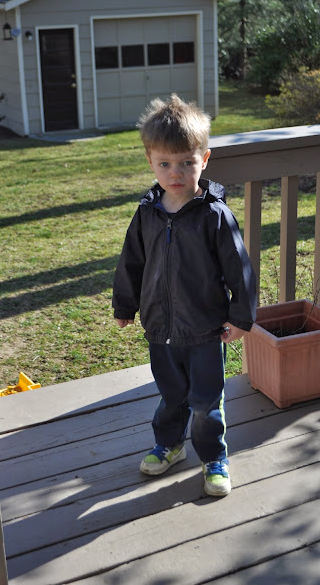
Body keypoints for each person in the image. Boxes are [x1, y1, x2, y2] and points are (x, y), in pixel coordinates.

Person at [112, 94, 256, 497]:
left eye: (186, 163)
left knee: (205, 401)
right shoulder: (147, 213)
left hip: (206, 329)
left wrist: (241, 317)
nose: (175, 173)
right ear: (150, 161)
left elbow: (239, 269)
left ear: (204, 160)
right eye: (165, 164)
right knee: (171, 395)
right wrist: (125, 304)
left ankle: (214, 458)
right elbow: (131, 262)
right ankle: (171, 445)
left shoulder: (214, 215)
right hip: (161, 328)